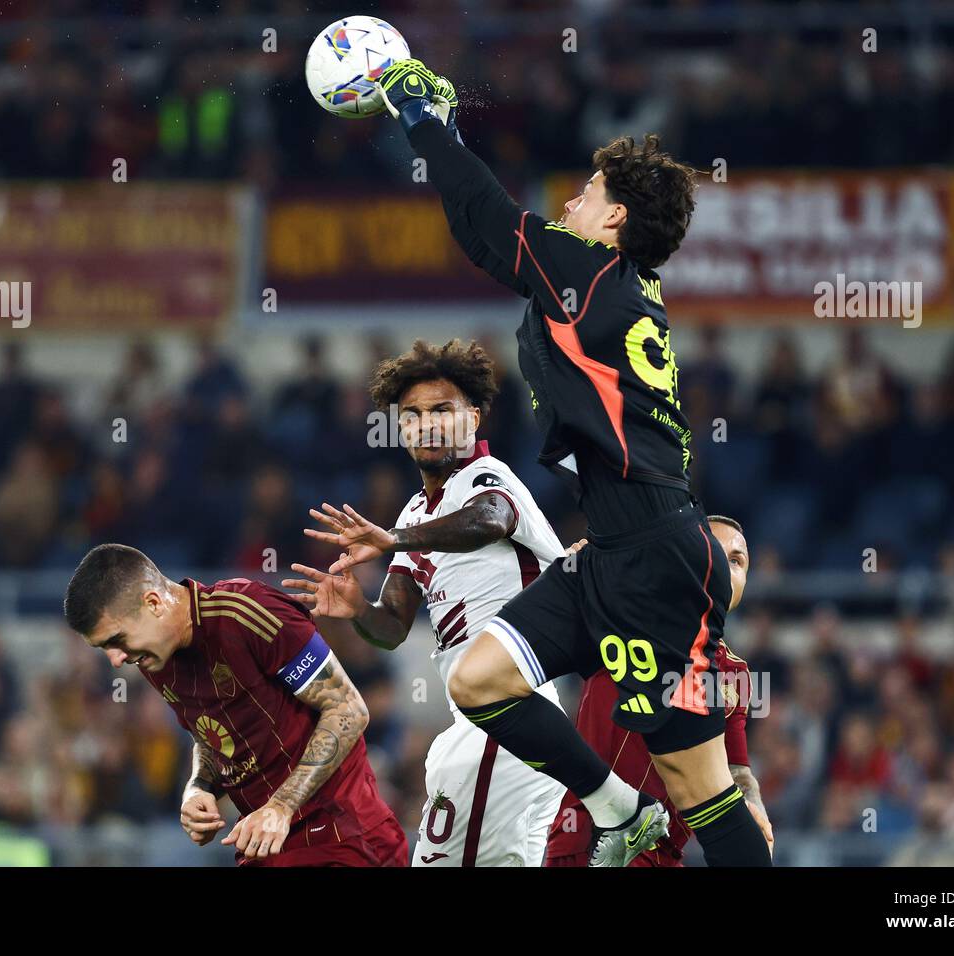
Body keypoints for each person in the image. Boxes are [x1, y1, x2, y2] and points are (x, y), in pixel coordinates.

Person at [358, 59, 771, 865]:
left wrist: (420, 120)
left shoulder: (594, 275)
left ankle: (640, 814)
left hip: (657, 561)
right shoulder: (612, 290)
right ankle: (619, 810)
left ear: (614, 218)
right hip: (613, 554)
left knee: (704, 796)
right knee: (476, 683)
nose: (571, 202)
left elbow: (487, 223)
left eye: (585, 192)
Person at [284, 339, 566, 866]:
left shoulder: (485, 477)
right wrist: (357, 609)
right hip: (487, 721)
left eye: (442, 410)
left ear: (473, 417)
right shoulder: (416, 513)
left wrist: (393, 541)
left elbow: (489, 521)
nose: (426, 424)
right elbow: (391, 626)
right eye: (411, 415)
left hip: (507, 712)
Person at [62, 543, 407, 866]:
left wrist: (281, 807)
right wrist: (198, 789)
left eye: (116, 640)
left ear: (154, 603)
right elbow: (211, 737)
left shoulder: (247, 613)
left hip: (343, 838)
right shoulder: (156, 659)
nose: (116, 660)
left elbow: (347, 709)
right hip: (262, 846)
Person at [545, 517, 774, 865]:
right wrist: (572, 571)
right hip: (589, 842)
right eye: (713, 549)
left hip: (664, 856)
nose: (727, 567)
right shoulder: (621, 616)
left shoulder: (735, 675)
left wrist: (752, 804)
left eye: (738, 560)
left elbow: (736, 768)